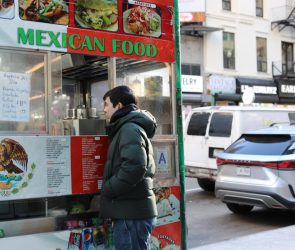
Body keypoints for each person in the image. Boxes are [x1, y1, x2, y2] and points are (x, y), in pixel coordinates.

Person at [100, 85, 158, 250]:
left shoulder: (129, 129)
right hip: (131, 212)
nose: (104, 110)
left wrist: (109, 188)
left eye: (106, 104)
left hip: (131, 215)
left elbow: (135, 166)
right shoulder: (126, 127)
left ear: (118, 106)